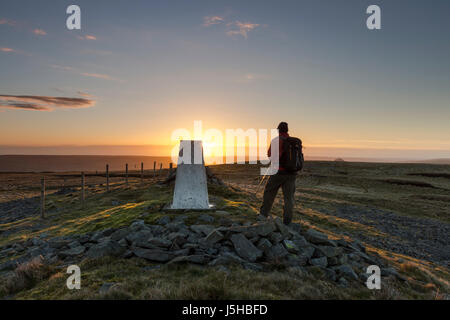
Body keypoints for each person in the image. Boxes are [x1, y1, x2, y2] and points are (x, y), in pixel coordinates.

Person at [259, 122, 299, 225]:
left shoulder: (276, 140)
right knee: (289, 198)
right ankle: (287, 222)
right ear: (287, 130)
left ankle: (263, 215)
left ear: (278, 130)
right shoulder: (294, 142)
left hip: (278, 172)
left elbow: (269, 155)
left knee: (269, 193)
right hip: (291, 174)